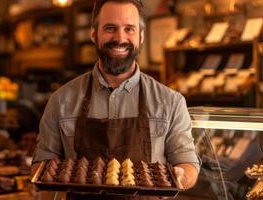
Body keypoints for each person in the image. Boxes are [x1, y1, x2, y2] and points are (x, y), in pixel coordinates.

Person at [31, 0, 200, 199]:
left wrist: (182, 175)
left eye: (129, 29)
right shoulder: (61, 100)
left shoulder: (171, 102)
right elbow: (41, 165)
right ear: (94, 34)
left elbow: (188, 163)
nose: (120, 38)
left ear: (141, 36)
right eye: (110, 28)